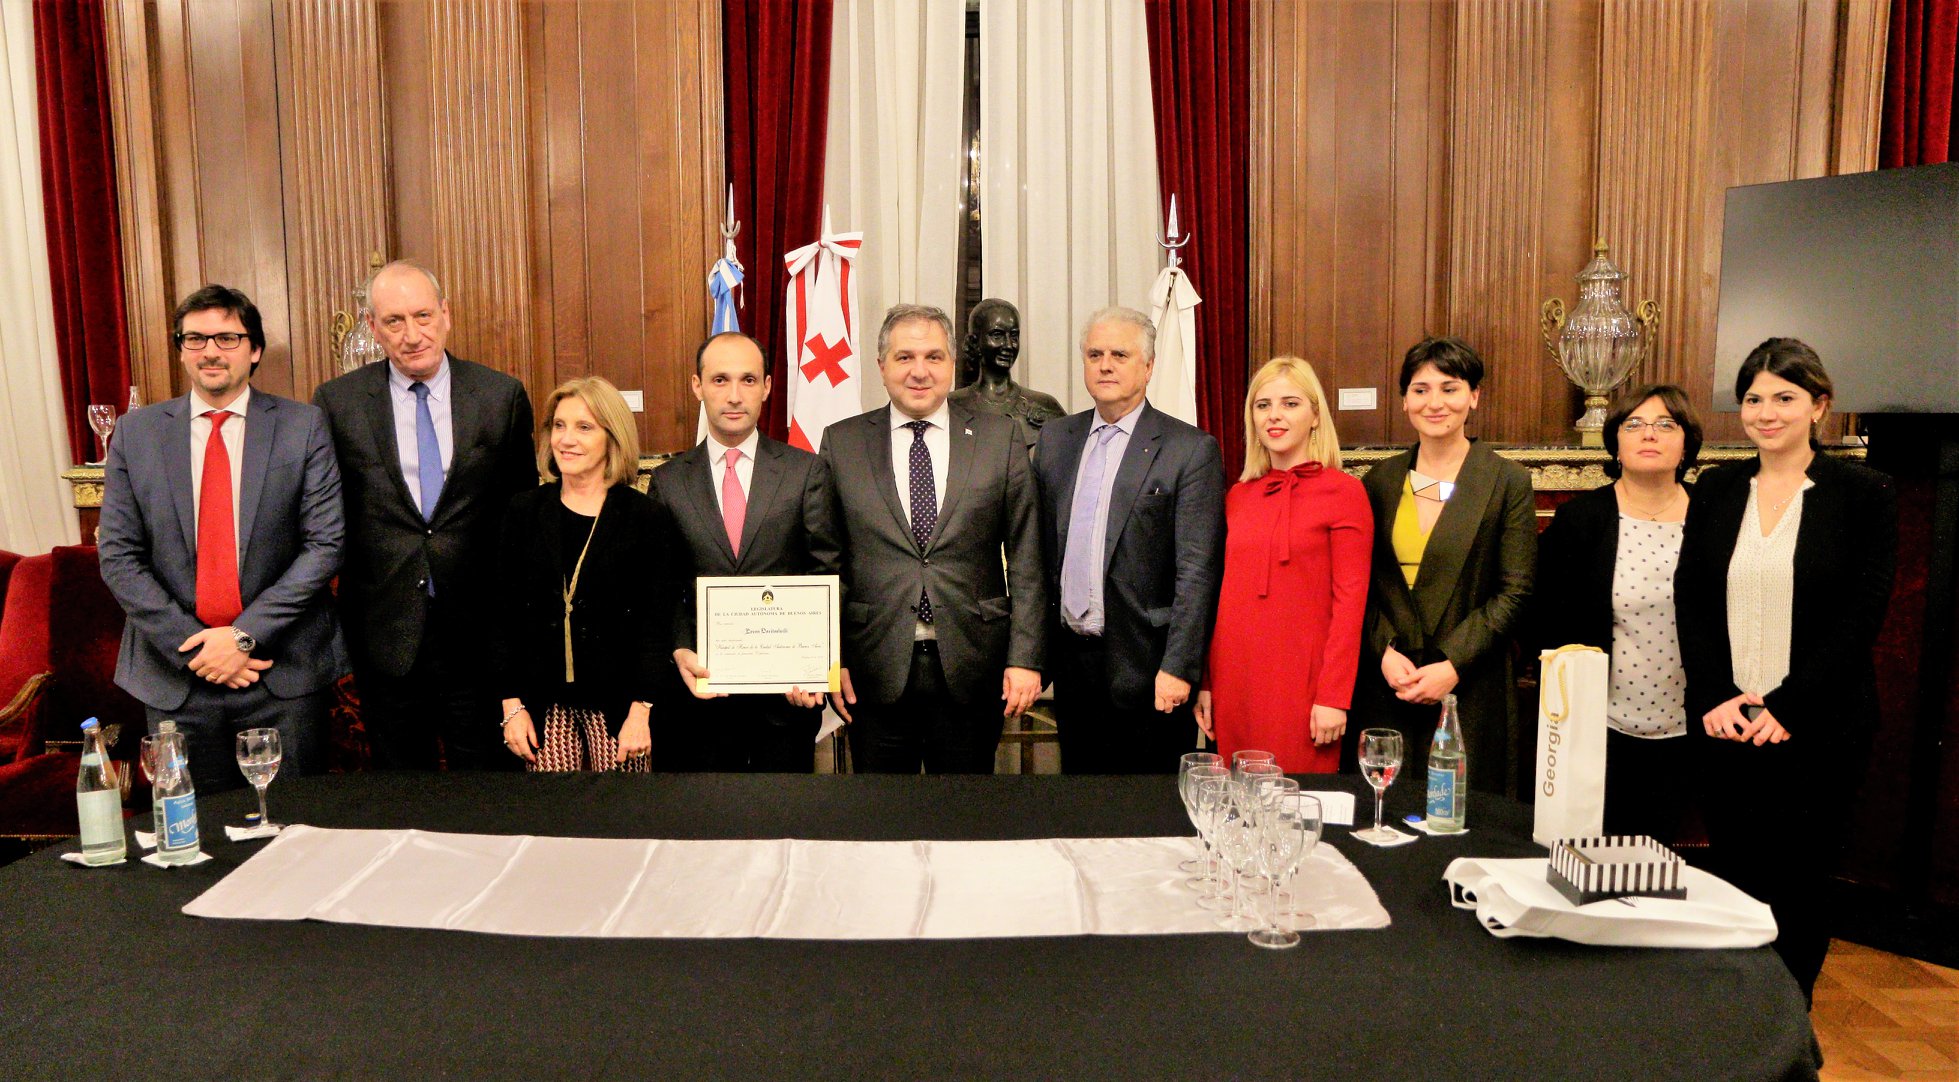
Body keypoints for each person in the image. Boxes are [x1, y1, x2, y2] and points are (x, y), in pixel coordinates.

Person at [1675, 338, 1895, 1002]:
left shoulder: (1863, 492)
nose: (1765, 413)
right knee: (1734, 876)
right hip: (1726, 723)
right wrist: (1713, 694)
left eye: (1783, 397)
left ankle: (1787, 1017)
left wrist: (1787, 707)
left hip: (1817, 726)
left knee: (1800, 882)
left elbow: (1861, 614)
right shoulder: (1716, 488)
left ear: (1818, 406)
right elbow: (1691, 598)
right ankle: (1736, 1012)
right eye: (1752, 399)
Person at [98, 285, 346, 793]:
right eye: (196, 338)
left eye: (227, 338)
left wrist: (241, 637)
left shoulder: (302, 426)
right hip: (175, 679)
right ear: (181, 350)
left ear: (254, 350)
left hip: (281, 673)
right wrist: (197, 648)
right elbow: (119, 556)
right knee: (191, 832)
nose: (210, 351)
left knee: (295, 826)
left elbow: (325, 545)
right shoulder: (136, 433)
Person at [313, 260, 536, 770]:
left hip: (478, 635)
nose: (412, 335)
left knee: (486, 788)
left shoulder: (499, 396)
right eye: (394, 321)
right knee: (402, 789)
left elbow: (520, 518)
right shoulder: (338, 403)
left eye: (423, 316)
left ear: (445, 314)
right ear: (372, 327)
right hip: (385, 633)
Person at [820, 304, 1047, 773]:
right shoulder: (842, 443)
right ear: (881, 366)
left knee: (966, 812)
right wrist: (829, 658)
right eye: (904, 357)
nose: (919, 371)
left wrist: (1025, 658)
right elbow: (827, 561)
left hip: (975, 667)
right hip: (872, 671)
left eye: (933, 357)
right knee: (880, 814)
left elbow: (1027, 556)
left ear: (952, 363)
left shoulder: (999, 438)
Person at [1032, 307, 1223, 773]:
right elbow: (1039, 553)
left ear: (1149, 366)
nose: (1105, 365)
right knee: (1082, 800)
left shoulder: (1189, 449)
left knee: (1148, 807)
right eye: (1094, 354)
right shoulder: (1056, 439)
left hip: (1150, 667)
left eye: (1119, 355)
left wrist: (1179, 666)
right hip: (1073, 665)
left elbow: (1197, 572)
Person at [651, 332, 841, 771]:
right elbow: (664, 584)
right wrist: (679, 648)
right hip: (699, 700)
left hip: (786, 702)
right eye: (720, 380)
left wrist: (814, 664)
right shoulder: (669, 481)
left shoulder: (805, 472)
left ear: (768, 387)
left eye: (748, 380)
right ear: (697, 386)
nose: (734, 395)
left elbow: (826, 570)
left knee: (783, 813)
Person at [1357, 336, 1535, 792]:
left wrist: (1452, 664)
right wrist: (1383, 652)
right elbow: (1362, 585)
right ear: (1404, 401)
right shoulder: (1379, 481)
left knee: (1461, 814)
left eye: (1449, 388)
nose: (1434, 402)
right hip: (1391, 681)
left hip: (1469, 683)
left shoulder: (1506, 481)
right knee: (1386, 810)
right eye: (1420, 390)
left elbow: (1515, 591)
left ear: (1474, 396)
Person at [1535, 384, 1702, 841]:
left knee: (1661, 859)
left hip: (1693, 725)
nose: (1649, 434)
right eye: (1634, 424)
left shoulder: (1713, 517)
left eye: (1666, 424)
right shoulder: (1581, 519)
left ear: (1686, 442)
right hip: (1598, 726)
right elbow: (1543, 613)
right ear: (1615, 442)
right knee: (1595, 852)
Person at [1196, 356, 1370, 773]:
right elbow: (1217, 597)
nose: (1274, 415)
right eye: (1263, 405)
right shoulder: (1237, 496)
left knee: (1297, 800)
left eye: (1290, 403)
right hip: (1235, 679)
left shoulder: (1346, 494)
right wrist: (1206, 682)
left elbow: (1351, 604)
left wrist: (1334, 696)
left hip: (1304, 686)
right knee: (1236, 799)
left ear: (1315, 415)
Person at [491, 378, 665, 772]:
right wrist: (511, 704)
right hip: (541, 705)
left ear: (612, 438)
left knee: (624, 808)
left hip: (622, 706)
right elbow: (502, 615)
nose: (566, 439)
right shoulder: (523, 512)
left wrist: (642, 709)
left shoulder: (645, 517)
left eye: (584, 427)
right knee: (552, 810)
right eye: (559, 425)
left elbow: (655, 623)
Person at [948, 298, 1066, 432]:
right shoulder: (953, 405)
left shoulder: (1046, 406)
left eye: (1014, 336)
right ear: (975, 342)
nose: (1009, 345)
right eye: (997, 335)